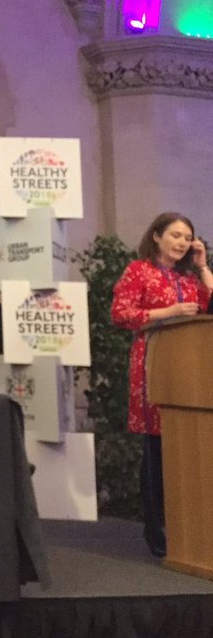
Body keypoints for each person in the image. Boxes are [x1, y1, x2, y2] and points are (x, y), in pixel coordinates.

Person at [111, 211, 213, 558]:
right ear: (156, 236)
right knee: (157, 449)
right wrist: (167, 312)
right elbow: (121, 313)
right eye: (176, 235)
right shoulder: (139, 270)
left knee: (190, 447)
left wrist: (202, 266)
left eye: (188, 237)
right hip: (153, 363)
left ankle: (192, 527)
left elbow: (209, 306)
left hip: (192, 370)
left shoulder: (189, 277)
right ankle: (157, 530)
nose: (183, 243)